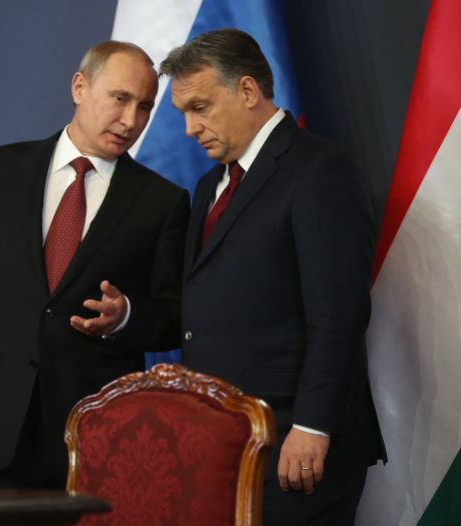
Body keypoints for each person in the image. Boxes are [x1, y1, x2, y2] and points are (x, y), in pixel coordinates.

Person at [0, 41, 189, 489]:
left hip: (99, 430)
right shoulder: (1, 169)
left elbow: (173, 318)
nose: (132, 120)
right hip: (1, 421)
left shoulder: (163, 202)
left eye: (145, 106)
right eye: (120, 98)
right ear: (79, 86)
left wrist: (125, 315)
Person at [161, 29, 385, 525]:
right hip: (228, 442)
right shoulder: (208, 186)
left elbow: (338, 314)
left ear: (246, 91)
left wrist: (312, 425)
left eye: (200, 107)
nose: (189, 129)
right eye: (183, 113)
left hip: (294, 443)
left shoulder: (318, 171)